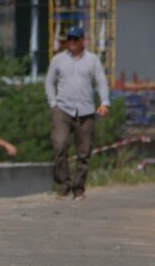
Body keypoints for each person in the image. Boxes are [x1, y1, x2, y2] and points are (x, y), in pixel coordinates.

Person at [44, 26, 111, 201]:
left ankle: (79, 188)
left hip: (86, 110)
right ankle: (63, 184)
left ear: (83, 40)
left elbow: (101, 82)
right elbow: (49, 82)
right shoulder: (58, 60)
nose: (71, 43)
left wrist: (104, 102)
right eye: (69, 39)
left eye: (75, 39)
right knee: (59, 145)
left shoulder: (93, 60)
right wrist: (53, 103)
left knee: (84, 152)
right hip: (63, 109)